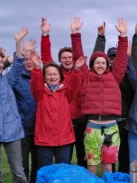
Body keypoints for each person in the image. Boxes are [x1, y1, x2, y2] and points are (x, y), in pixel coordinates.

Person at [71, 17, 128, 175]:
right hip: (92, 128)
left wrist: (123, 36)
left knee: (108, 166)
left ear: (107, 64)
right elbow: (78, 57)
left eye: (103, 62)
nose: (100, 65)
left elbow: (122, 60)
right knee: (92, 166)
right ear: (92, 64)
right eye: (97, 62)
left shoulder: (114, 76)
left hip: (111, 128)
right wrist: (75, 33)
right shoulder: (86, 76)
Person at [92, 21, 137, 174]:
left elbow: (136, 58)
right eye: (111, 58)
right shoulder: (103, 77)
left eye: (116, 57)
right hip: (109, 122)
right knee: (109, 159)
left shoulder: (129, 73)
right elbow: (96, 58)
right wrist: (100, 38)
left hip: (127, 122)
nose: (113, 60)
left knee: (125, 157)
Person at [40, 17, 87, 168]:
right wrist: (45, 36)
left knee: (83, 157)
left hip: (81, 121)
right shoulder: (56, 76)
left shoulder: (79, 72)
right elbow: (46, 58)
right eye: (64, 58)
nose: (67, 60)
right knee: (64, 160)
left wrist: (75, 33)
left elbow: (78, 54)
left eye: (70, 57)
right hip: (64, 123)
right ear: (60, 60)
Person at [30, 51, 84, 168]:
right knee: (46, 173)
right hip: (44, 139)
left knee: (63, 172)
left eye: (55, 74)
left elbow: (75, 84)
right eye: (49, 74)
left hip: (64, 139)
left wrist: (76, 70)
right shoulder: (40, 93)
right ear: (44, 77)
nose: (52, 77)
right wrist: (37, 68)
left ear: (60, 76)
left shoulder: (66, 92)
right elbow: (35, 84)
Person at [0, 28, 29, 183]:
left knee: (18, 171)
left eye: (1, 62)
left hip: (13, 130)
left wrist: (18, 42)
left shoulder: (8, 80)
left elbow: (19, 63)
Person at [11, 39, 39, 183]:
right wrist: (20, 50)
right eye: (26, 59)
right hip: (22, 129)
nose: (29, 62)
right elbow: (14, 66)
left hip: (40, 129)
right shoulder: (16, 78)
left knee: (38, 163)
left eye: (32, 58)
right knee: (22, 165)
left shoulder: (42, 76)